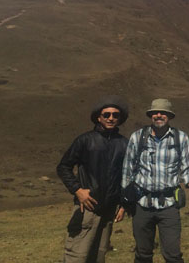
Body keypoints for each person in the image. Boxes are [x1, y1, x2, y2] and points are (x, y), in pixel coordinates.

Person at [121, 98, 189, 263]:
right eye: (155, 113)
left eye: (163, 113)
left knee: (173, 255)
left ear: (169, 116)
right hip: (142, 204)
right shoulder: (137, 137)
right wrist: (124, 199)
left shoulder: (180, 138)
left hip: (169, 205)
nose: (159, 115)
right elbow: (127, 169)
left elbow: (188, 166)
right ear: (150, 115)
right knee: (143, 255)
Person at [57, 95, 130, 263]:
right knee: (77, 257)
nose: (111, 118)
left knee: (98, 256)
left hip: (109, 210)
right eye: (106, 114)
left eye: (115, 115)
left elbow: (126, 176)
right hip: (87, 208)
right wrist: (77, 190)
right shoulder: (85, 140)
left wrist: (123, 204)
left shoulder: (124, 144)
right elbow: (63, 167)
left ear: (120, 119)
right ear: (99, 117)